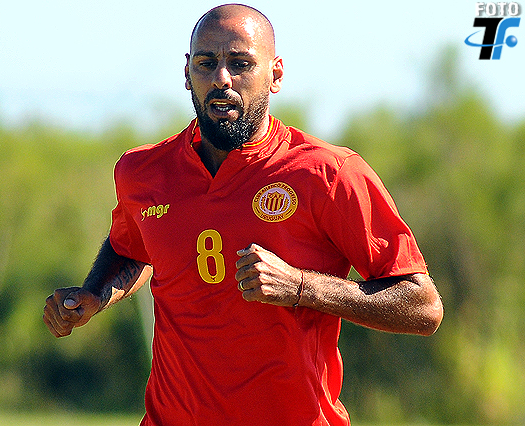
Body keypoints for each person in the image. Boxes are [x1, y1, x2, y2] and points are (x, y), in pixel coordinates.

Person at [43, 4, 443, 425]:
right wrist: (94, 295)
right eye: (206, 63)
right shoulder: (142, 171)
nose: (222, 78)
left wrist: (301, 286)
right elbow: (132, 249)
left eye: (240, 63)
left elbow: (423, 307)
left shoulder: (328, 173)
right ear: (187, 73)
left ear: (276, 75)